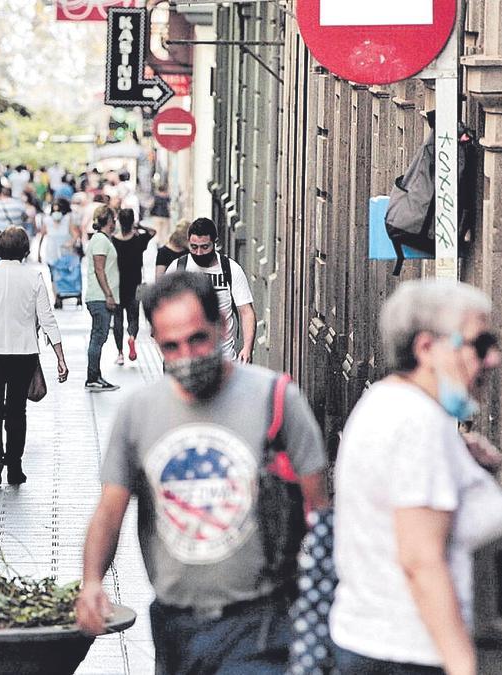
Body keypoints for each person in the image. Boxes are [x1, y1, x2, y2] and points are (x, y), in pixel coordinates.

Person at [75, 271, 330, 674]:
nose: (187, 356)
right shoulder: (138, 413)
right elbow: (110, 510)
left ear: (221, 326)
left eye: (197, 339)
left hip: (261, 624)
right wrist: (92, 582)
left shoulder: (276, 399)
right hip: (176, 626)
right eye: (171, 347)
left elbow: (320, 514)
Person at [330, 280, 502, 674]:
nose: (492, 358)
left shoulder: (392, 403)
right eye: (479, 344)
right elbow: (421, 561)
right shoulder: (417, 426)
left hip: (388, 645)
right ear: (426, 348)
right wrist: (463, 666)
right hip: (415, 655)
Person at [0, 228, 68, 487]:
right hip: (24, 353)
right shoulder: (34, 278)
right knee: (17, 411)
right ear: (25, 249)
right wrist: (60, 357)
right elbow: (47, 319)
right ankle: (15, 466)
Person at [165, 218, 257, 363]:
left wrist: (247, 347)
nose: (199, 253)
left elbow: (246, 311)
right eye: (194, 247)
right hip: (185, 359)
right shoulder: (178, 268)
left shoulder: (231, 269)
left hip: (223, 359)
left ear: (215, 243)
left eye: (205, 247)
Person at [111, 208, 156, 365]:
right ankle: (131, 338)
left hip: (117, 286)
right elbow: (153, 232)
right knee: (133, 317)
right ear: (132, 222)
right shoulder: (139, 240)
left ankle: (120, 353)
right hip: (135, 285)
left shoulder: (113, 241)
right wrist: (140, 226)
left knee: (117, 320)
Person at [83, 205, 120, 392]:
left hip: (100, 296)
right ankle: (92, 377)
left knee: (99, 336)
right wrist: (108, 295)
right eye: (114, 219)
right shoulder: (99, 240)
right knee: (98, 337)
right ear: (108, 220)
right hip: (99, 297)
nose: (116, 222)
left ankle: (96, 375)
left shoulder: (104, 239)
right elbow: (99, 269)